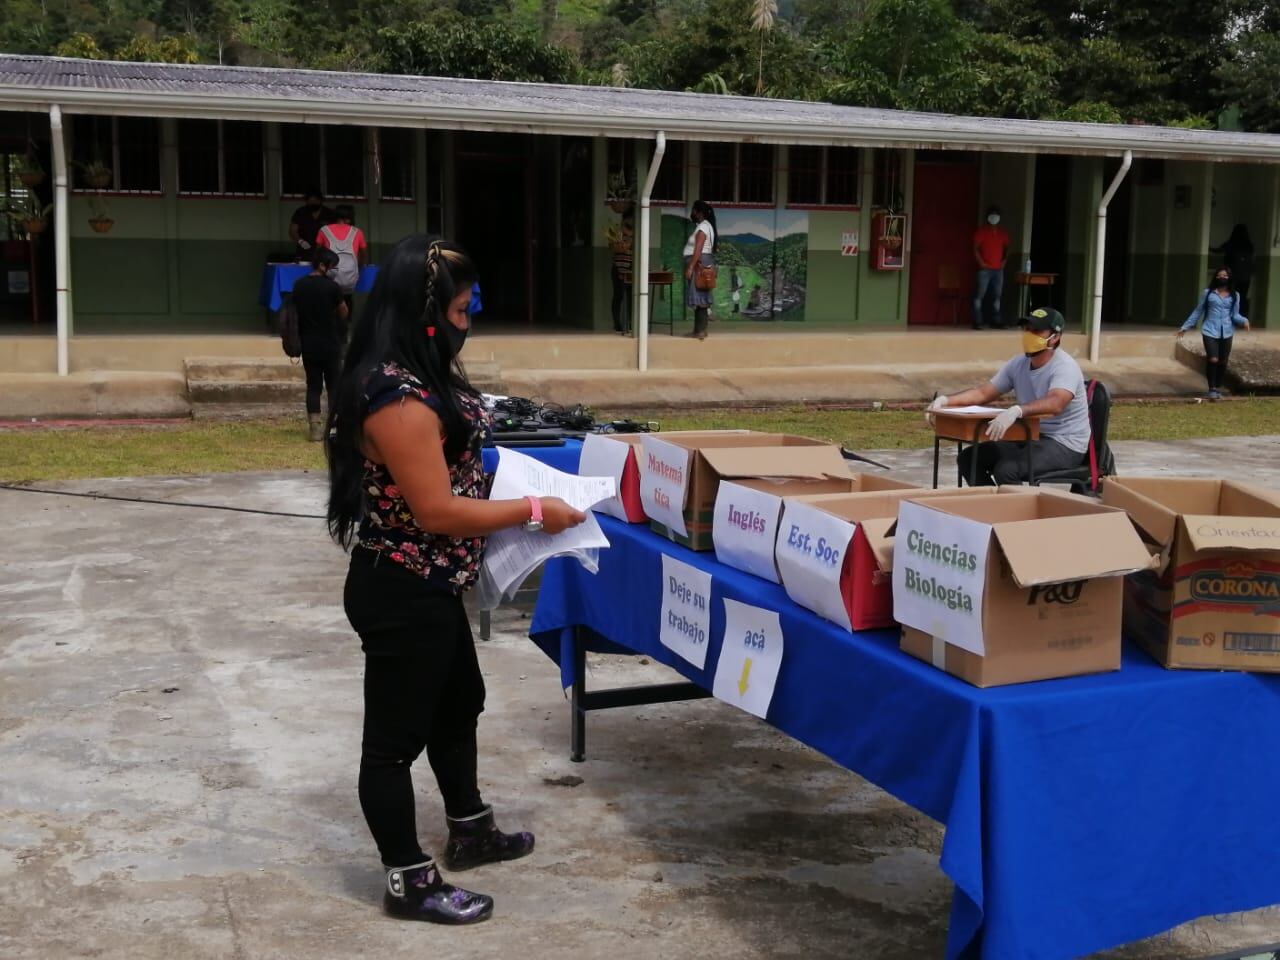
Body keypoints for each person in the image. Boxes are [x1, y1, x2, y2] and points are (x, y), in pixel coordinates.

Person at [326, 235, 586, 925]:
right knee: (391, 744)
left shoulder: (420, 374)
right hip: (402, 586)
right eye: (465, 308)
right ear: (429, 313)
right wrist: (536, 511)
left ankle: (469, 827)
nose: (473, 320)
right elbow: (437, 511)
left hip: (432, 585)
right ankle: (407, 878)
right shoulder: (395, 397)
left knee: (457, 703)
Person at [926, 307, 1090, 485]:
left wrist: (1018, 411)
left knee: (1007, 470)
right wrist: (945, 401)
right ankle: (993, 507)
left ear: (1055, 337)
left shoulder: (1064, 366)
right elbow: (983, 393)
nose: (1029, 335)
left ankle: (1020, 511)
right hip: (1031, 436)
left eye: (1036, 331)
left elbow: (1056, 403)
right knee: (969, 459)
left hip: (1065, 444)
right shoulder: (1018, 363)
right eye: (1027, 329)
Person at [292, 247, 349, 441]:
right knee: (334, 386)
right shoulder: (332, 288)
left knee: (313, 386)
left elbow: (295, 311)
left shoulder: (299, 285)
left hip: (309, 344)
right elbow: (343, 312)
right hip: (331, 344)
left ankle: (314, 428)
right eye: (333, 266)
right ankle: (334, 426)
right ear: (323, 266)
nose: (335, 270)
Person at [1178, 266, 1249, 401]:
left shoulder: (1235, 295)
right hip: (1209, 330)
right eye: (1220, 275)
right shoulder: (1208, 293)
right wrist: (1185, 327)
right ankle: (1212, 389)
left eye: (1225, 276)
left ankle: (1217, 386)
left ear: (1229, 278)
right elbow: (1198, 311)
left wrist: (1244, 321)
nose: (1222, 278)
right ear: (1216, 277)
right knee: (1213, 359)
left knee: (1222, 361)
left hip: (1227, 331)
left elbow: (1235, 315)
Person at [318, 204, 370, 320]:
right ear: (349, 218)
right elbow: (364, 255)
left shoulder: (324, 230)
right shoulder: (357, 232)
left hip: (330, 277)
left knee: (329, 301)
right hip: (349, 279)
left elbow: (317, 253)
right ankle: (345, 326)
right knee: (347, 300)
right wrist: (358, 268)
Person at [683, 199, 717, 340]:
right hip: (702, 262)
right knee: (700, 297)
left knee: (700, 297)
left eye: (693, 210)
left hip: (699, 263)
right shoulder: (705, 226)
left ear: (699, 212)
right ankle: (698, 330)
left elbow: (698, 249)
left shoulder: (703, 227)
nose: (692, 213)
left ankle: (700, 331)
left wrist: (691, 266)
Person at [972, 206, 1009, 330]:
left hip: (998, 269)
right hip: (985, 269)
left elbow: (1007, 248)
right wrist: (981, 262)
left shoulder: (1003, 233)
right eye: (992, 215)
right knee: (980, 295)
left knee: (997, 296)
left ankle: (996, 321)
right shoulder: (981, 232)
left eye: (996, 215)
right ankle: (977, 321)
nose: (994, 217)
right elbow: (975, 248)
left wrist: (1004, 261)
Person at [1210, 224, 1254, 315]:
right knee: (1243, 297)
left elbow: (1218, 251)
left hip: (1232, 276)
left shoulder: (1231, 243)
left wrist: (1206, 245)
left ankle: (1230, 316)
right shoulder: (1249, 245)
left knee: (1230, 296)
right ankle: (1242, 317)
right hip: (1245, 277)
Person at [289, 187, 336, 259]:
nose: (313, 203)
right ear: (306, 201)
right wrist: (300, 241)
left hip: (324, 251)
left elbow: (335, 232)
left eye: (315, 201)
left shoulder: (329, 213)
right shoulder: (300, 212)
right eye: (310, 201)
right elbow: (293, 231)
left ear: (320, 200)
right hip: (304, 251)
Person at [609, 207, 634, 334]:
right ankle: (617, 324)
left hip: (630, 268)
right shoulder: (617, 233)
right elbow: (615, 249)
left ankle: (631, 324)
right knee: (618, 296)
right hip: (618, 268)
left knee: (631, 297)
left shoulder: (636, 234)